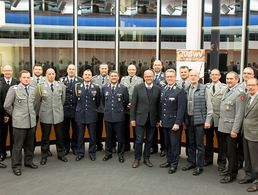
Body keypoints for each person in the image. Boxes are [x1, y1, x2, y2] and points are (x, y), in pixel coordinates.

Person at [4, 70, 38, 176]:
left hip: (31, 122)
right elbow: (6, 105)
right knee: (17, 146)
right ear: (20, 78)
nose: (26, 79)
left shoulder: (33, 89)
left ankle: (28, 162)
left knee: (29, 144)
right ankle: (16, 166)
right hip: (19, 123)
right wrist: (14, 115)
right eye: (24, 77)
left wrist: (32, 114)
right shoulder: (13, 89)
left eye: (28, 77)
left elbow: (35, 104)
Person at [182, 69, 212, 176]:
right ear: (189, 77)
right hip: (188, 120)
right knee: (190, 143)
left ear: (198, 77)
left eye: (195, 75)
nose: (193, 77)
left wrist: (208, 120)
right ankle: (191, 162)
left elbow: (209, 107)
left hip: (199, 120)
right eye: (191, 75)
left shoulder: (204, 89)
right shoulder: (185, 88)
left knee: (199, 145)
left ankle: (199, 166)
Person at [219, 71, 246, 183]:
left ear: (237, 80)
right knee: (226, 151)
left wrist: (235, 130)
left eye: (231, 79)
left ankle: (231, 174)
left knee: (232, 153)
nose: (228, 81)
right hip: (223, 127)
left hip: (231, 129)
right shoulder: (226, 90)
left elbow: (239, 114)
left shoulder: (240, 94)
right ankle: (230, 169)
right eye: (227, 79)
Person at [130, 70, 161, 168]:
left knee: (149, 140)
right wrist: (132, 119)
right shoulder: (137, 88)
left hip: (152, 119)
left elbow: (158, 106)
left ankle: (146, 158)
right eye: (146, 76)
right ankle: (137, 159)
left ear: (153, 77)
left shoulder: (158, 89)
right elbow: (133, 105)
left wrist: (158, 119)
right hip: (139, 118)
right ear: (144, 77)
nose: (148, 78)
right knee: (139, 140)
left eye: (150, 76)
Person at [37, 68, 68, 165]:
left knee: (60, 136)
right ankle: (44, 156)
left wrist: (57, 108)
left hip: (58, 114)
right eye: (49, 74)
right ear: (46, 75)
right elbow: (38, 101)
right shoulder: (40, 86)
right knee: (45, 137)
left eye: (53, 73)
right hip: (45, 114)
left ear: (55, 75)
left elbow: (63, 100)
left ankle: (61, 154)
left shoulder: (61, 85)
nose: (51, 75)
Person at [159, 69, 186, 174]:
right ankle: (168, 160)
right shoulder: (164, 89)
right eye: (168, 77)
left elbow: (181, 109)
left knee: (174, 144)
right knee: (167, 144)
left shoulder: (179, 91)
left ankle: (174, 164)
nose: (169, 78)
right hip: (165, 122)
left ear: (175, 77)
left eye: (171, 76)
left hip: (174, 123)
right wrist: (161, 119)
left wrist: (177, 123)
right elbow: (162, 106)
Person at [102, 71, 129, 163]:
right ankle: (108, 153)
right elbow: (102, 101)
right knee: (108, 137)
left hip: (119, 116)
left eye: (115, 76)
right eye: (112, 76)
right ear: (109, 77)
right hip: (108, 115)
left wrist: (120, 109)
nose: (113, 77)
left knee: (120, 137)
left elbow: (126, 101)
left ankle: (120, 154)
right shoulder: (104, 88)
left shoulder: (123, 88)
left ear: (118, 77)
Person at [75, 69, 100, 161]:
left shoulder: (96, 87)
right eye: (85, 74)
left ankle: (92, 152)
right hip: (80, 115)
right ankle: (80, 153)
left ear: (91, 76)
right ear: (83, 76)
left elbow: (97, 101)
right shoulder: (77, 87)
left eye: (89, 75)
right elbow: (75, 101)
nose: (87, 76)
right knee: (80, 135)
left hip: (92, 115)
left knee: (92, 136)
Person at [204, 69, 227, 172]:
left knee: (221, 142)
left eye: (216, 74)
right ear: (210, 76)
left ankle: (221, 162)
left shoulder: (225, 88)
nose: (214, 76)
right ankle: (208, 159)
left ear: (219, 76)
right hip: (208, 118)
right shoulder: (206, 87)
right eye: (212, 74)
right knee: (208, 140)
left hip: (220, 118)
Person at [239, 78, 258, 192]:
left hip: (255, 133)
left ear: (257, 86)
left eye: (252, 85)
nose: (250, 87)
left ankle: (256, 181)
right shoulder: (247, 97)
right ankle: (249, 176)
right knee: (247, 157)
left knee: (256, 159)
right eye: (248, 85)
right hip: (245, 132)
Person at [60, 64, 82, 155]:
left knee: (76, 130)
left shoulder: (80, 80)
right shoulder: (61, 80)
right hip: (65, 109)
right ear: (67, 70)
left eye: (73, 69)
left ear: (75, 70)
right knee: (65, 130)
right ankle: (65, 147)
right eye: (70, 69)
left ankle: (75, 147)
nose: (71, 71)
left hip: (76, 109)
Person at [120, 64, 143, 151]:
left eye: (133, 70)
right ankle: (126, 145)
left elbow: (141, 94)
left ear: (136, 71)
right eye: (130, 70)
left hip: (136, 107)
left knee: (136, 128)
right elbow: (121, 91)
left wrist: (133, 103)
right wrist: (126, 103)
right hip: (125, 107)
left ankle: (136, 146)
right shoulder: (123, 79)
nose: (131, 71)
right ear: (127, 70)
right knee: (125, 127)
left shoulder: (140, 80)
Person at [0, 65, 20, 161]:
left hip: (15, 113)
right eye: (5, 70)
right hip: (2, 114)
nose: (7, 72)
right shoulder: (0, 82)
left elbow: (19, 99)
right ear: (2, 71)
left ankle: (14, 153)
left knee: (14, 135)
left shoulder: (17, 82)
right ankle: (2, 153)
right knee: (2, 135)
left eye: (9, 70)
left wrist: (12, 113)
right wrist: (5, 114)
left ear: (12, 71)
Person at [92, 63, 110, 151]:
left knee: (109, 129)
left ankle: (110, 146)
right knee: (98, 128)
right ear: (99, 69)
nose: (104, 70)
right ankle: (98, 145)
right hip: (97, 108)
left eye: (105, 68)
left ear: (108, 69)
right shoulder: (94, 79)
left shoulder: (112, 78)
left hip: (108, 108)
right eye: (102, 68)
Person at [152, 60, 166, 156]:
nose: (157, 66)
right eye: (155, 65)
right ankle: (153, 147)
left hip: (162, 105)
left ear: (162, 66)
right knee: (152, 128)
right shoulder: (149, 75)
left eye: (159, 65)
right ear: (153, 66)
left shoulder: (166, 76)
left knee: (162, 128)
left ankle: (163, 148)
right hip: (152, 106)